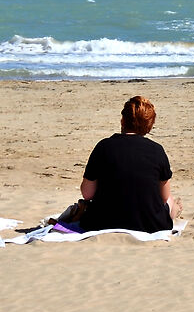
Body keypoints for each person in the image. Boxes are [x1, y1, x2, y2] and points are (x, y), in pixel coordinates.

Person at [75, 94, 179, 232]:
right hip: (150, 224)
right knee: (171, 200)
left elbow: (87, 193)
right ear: (149, 125)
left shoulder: (103, 147)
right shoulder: (157, 150)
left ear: (123, 120)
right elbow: (164, 197)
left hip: (102, 222)